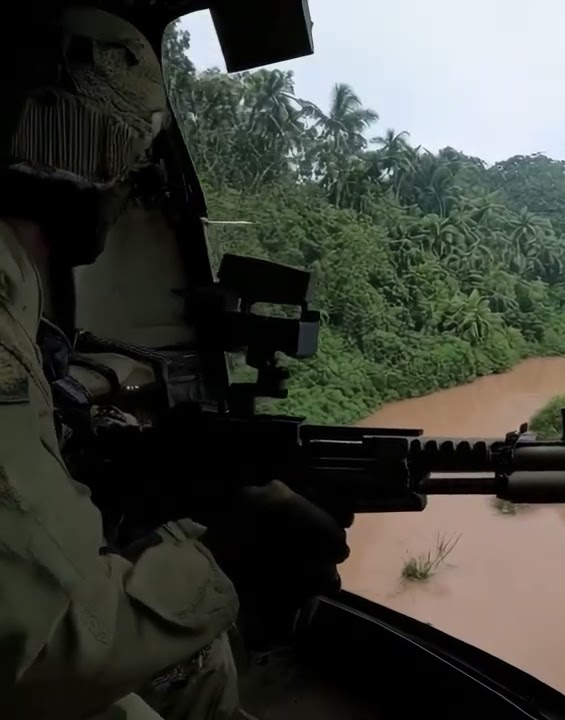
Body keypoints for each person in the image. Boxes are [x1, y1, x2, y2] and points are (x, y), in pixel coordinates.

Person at [0, 5, 350, 719]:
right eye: (128, 162)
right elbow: (41, 649)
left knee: (200, 663)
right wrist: (223, 556)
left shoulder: (19, 298)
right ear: (89, 159)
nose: (133, 186)